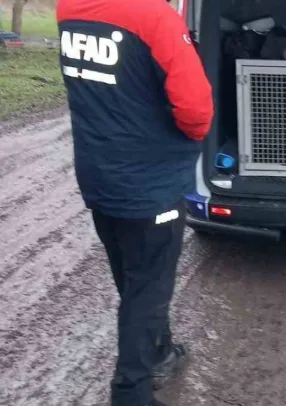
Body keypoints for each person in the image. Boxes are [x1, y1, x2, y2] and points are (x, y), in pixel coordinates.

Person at [56, 0, 214, 404]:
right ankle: (131, 393)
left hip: (99, 175)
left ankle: (159, 351)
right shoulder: (155, 18)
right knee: (147, 290)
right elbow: (195, 110)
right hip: (151, 184)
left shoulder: (70, 9)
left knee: (132, 279)